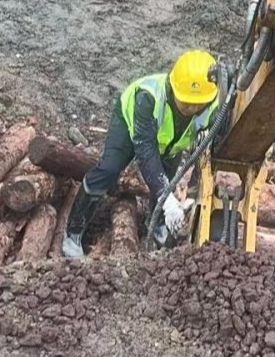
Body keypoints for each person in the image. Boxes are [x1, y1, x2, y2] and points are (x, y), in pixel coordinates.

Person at [62, 49, 219, 257]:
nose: (191, 108)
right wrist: (168, 200)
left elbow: (207, 154)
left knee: (167, 177)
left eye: (198, 105)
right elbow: (146, 152)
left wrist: (191, 194)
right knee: (109, 169)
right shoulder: (148, 98)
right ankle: (74, 231)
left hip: (171, 143)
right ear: (173, 89)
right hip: (131, 126)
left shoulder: (213, 107)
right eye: (186, 102)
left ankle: (158, 223)